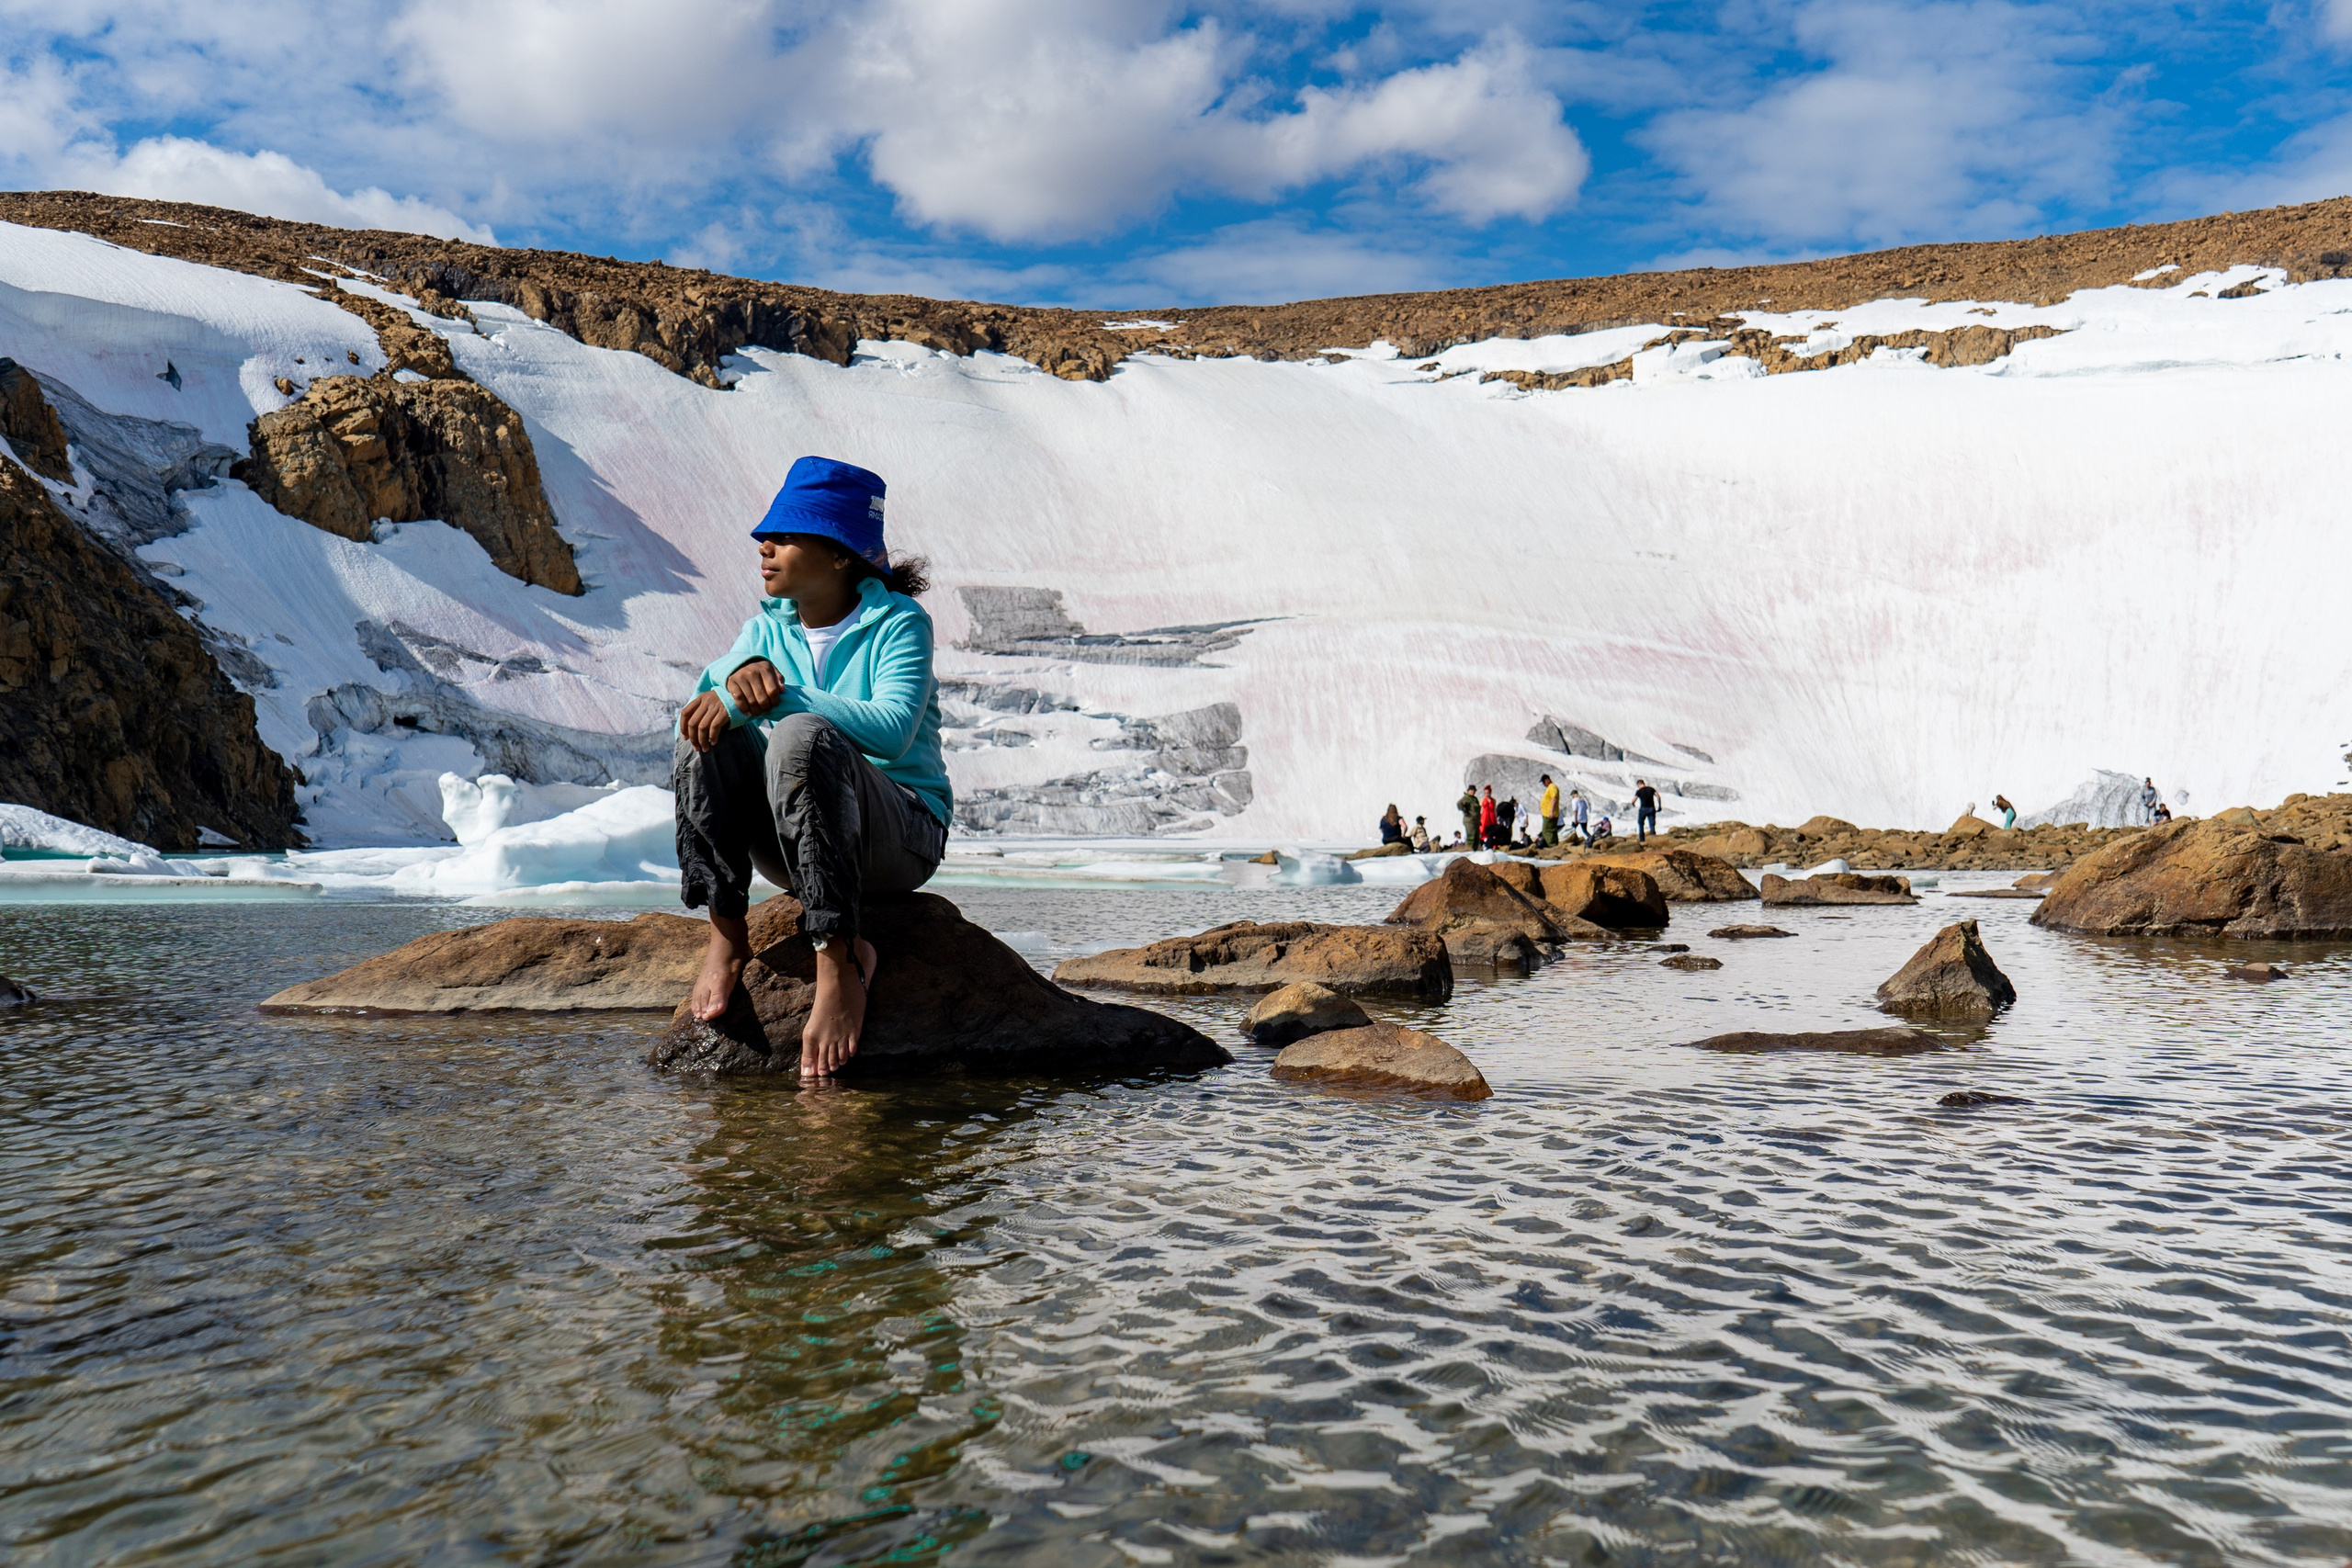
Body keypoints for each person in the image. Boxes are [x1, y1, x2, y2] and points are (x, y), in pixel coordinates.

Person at [673, 456, 949, 1078]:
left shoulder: (899, 623)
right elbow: (688, 726)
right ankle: (726, 932)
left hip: (900, 833)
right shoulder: (763, 630)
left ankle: (840, 961)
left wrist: (780, 696)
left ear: (842, 554)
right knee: (702, 740)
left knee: (799, 734)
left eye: (786, 535)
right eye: (763, 535)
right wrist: (728, 685)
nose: (763, 547)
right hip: (800, 842)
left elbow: (892, 730)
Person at [1633, 778, 1660, 843]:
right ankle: (1653, 839)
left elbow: (1634, 799)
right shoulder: (1651, 789)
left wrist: (1633, 804)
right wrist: (1659, 806)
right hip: (1651, 808)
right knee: (1652, 824)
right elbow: (1658, 796)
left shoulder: (1639, 791)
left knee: (1641, 824)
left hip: (1643, 809)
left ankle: (1642, 840)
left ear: (1639, 784)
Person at [1538, 773, 1561, 848]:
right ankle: (1555, 845)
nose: (1544, 784)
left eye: (1544, 782)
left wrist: (1551, 811)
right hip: (1547, 813)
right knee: (1552, 830)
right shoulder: (1549, 788)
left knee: (1546, 830)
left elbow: (1554, 798)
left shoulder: (1552, 787)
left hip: (1549, 814)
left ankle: (1552, 845)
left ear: (1547, 780)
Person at [1456, 785, 1480, 852]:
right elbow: (1459, 804)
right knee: (1471, 837)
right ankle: (1468, 850)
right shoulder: (1466, 798)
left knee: (1476, 837)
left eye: (1474, 790)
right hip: (1469, 820)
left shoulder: (1474, 799)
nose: (1473, 791)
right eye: (1471, 790)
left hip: (1476, 820)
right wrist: (1465, 810)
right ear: (1468, 791)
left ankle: (1475, 851)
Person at [1478, 785, 1497, 849]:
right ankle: (1482, 842)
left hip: (1491, 816)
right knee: (1483, 829)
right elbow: (1480, 808)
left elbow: (1494, 810)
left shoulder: (1493, 800)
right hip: (1484, 816)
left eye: (1488, 792)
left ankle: (1491, 842)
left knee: (1492, 829)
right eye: (1485, 793)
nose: (1486, 794)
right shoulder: (1483, 799)